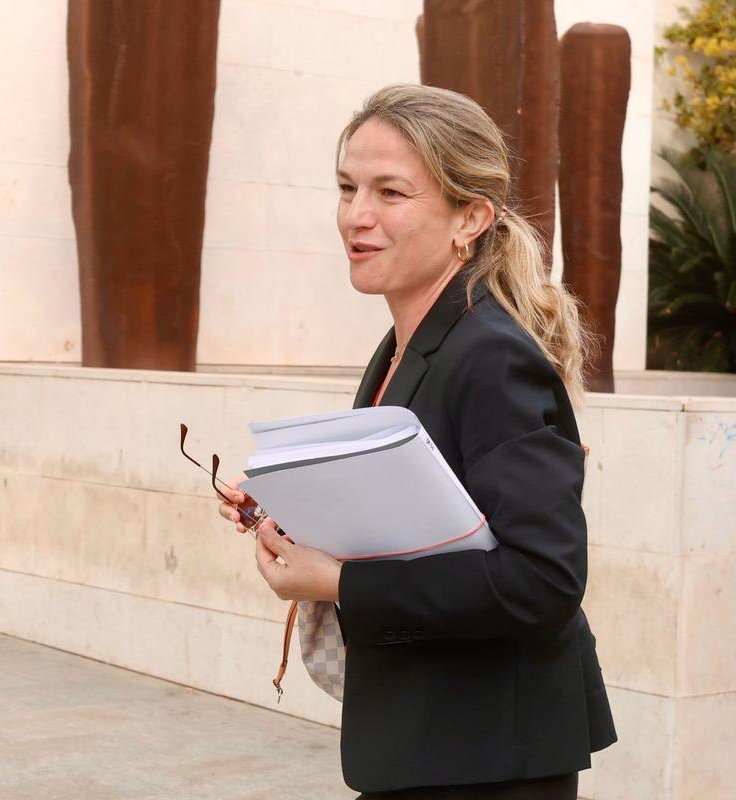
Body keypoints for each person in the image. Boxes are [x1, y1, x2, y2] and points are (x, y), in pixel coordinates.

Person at [216, 84, 617, 799]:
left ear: (471, 218)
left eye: (391, 193)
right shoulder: (403, 347)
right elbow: (419, 521)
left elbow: (543, 579)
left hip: (489, 755)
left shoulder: (491, 355)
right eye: (346, 188)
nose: (356, 217)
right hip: (433, 740)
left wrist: (336, 582)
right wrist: (291, 514)